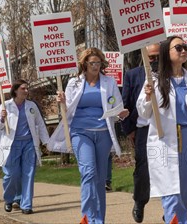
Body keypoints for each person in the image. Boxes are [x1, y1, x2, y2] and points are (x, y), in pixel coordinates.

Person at [47, 47, 129, 224]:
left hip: (103, 133)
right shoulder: (73, 83)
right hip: (80, 132)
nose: (96, 66)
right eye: (92, 63)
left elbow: (116, 106)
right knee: (88, 172)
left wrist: (120, 113)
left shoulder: (109, 82)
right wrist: (62, 102)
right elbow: (67, 110)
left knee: (100, 178)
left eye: (99, 63)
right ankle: (88, 217)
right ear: (84, 64)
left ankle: (99, 219)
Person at [138, 36, 187, 224]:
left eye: (186, 47)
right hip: (165, 139)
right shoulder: (153, 80)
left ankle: (180, 219)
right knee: (171, 192)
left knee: (183, 191)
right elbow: (143, 113)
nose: (184, 50)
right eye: (178, 47)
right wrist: (147, 96)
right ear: (166, 53)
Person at [0, 80, 49, 215]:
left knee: (28, 174)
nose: (26, 91)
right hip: (11, 144)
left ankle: (26, 205)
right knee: (11, 175)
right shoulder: (5, 105)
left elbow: (40, 124)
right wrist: (2, 119)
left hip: (29, 144)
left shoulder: (32, 106)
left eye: (27, 88)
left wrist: (46, 142)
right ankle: (9, 199)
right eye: (23, 88)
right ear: (15, 91)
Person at [122, 43, 160, 223]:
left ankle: (171, 209)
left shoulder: (170, 73)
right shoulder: (132, 75)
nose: (155, 60)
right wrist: (129, 130)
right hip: (143, 130)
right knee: (143, 169)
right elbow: (126, 104)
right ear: (144, 56)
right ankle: (139, 202)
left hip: (166, 128)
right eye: (151, 57)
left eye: (159, 56)